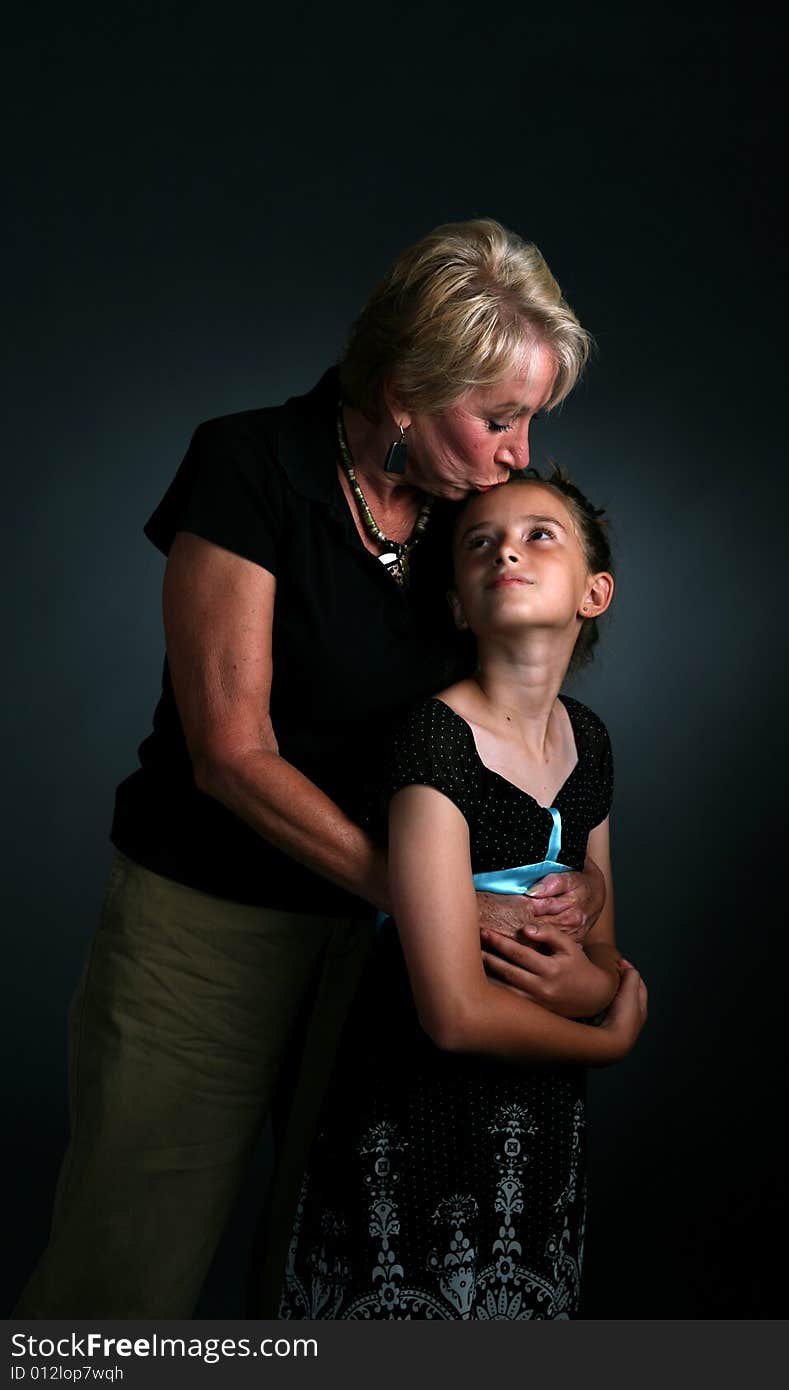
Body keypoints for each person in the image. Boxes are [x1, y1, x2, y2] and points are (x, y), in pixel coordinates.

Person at [16, 220, 609, 1319]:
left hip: (392, 952)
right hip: (209, 923)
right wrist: (431, 900)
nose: (517, 454)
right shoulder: (251, 466)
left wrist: (564, 882)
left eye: (529, 420)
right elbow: (231, 754)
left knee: (330, 1265)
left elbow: (523, 715)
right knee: (128, 1260)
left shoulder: (473, 524)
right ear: (403, 388)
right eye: (497, 418)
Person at [278, 469, 648, 1320]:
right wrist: (607, 1038)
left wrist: (592, 988)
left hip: (541, 1114)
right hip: (412, 1108)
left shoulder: (588, 742)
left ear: (595, 592)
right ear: (455, 606)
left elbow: (602, 959)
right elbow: (453, 1012)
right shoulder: (433, 741)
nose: (506, 548)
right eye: (479, 541)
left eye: (539, 534)